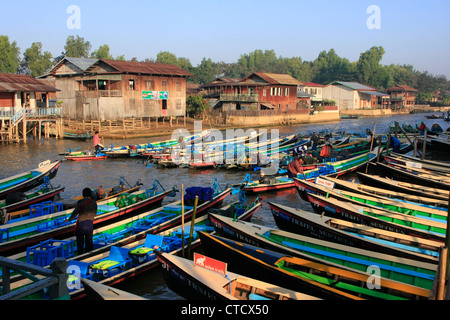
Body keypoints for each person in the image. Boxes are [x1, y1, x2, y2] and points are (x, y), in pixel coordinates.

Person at [66, 188, 97, 255]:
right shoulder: (94, 203)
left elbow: (75, 213)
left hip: (81, 224)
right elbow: (94, 214)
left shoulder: (80, 202)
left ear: (83, 194)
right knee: (89, 241)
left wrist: (69, 220)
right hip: (90, 224)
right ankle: (89, 255)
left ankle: (81, 256)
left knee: (80, 242)